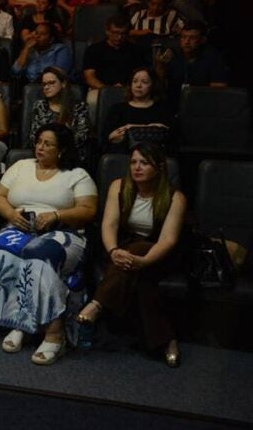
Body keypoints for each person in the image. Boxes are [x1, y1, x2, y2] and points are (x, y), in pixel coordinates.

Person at [0, 123, 98, 365]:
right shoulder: (21, 166)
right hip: (19, 226)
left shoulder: (77, 175)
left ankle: (55, 333)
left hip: (63, 232)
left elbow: (88, 210)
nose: (40, 147)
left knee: (38, 255)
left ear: (61, 150)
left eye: (48, 144)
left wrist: (57, 215)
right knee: (0, 251)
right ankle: (19, 321)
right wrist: (10, 215)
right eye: (39, 142)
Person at [77, 142, 186, 366]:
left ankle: (97, 304)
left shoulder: (176, 198)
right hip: (123, 247)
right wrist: (113, 250)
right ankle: (167, 340)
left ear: (160, 168)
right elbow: (109, 225)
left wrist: (144, 261)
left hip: (160, 253)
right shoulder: (119, 186)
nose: (137, 167)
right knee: (143, 282)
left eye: (144, 163)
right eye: (134, 162)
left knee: (138, 251)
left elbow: (168, 239)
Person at [82, 14, 148, 113]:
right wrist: (108, 90)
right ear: (107, 31)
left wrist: (127, 88)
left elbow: (141, 74)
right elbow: (89, 77)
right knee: (92, 101)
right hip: (100, 88)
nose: (119, 37)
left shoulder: (135, 51)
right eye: (115, 33)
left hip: (129, 89)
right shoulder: (94, 50)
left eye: (123, 33)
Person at [154, 21, 228, 106]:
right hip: (174, 103)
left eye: (192, 38)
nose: (186, 42)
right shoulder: (172, 54)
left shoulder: (213, 57)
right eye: (183, 37)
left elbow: (218, 90)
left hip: (202, 104)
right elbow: (157, 88)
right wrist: (161, 67)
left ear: (202, 40)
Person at [105, 67, 174, 153]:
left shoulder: (162, 110)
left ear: (153, 85)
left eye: (144, 82)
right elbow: (110, 137)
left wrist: (129, 128)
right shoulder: (117, 109)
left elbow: (171, 138)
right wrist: (151, 128)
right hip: (124, 156)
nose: (138, 85)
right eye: (135, 81)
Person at [30, 66, 90, 157]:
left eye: (51, 83)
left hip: (71, 155)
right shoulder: (40, 106)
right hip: (44, 154)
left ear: (63, 84)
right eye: (44, 84)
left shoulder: (79, 107)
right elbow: (34, 136)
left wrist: (57, 147)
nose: (46, 87)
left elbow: (82, 137)